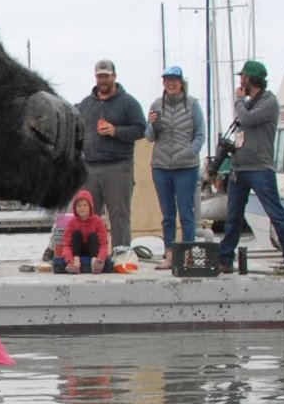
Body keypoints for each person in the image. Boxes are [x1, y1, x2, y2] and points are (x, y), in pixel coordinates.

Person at [216, 60, 284, 272]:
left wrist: (238, 101)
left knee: (275, 213)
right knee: (233, 217)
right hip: (239, 168)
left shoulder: (268, 102)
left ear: (251, 79)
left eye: (243, 76)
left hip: (260, 169)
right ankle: (225, 259)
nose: (240, 80)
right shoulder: (249, 102)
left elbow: (248, 119)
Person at [76, 59, 146, 248]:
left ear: (114, 76)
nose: (103, 80)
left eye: (106, 76)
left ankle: (121, 255)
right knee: (88, 216)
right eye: (100, 76)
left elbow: (141, 129)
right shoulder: (85, 104)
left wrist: (116, 131)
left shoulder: (129, 103)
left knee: (119, 215)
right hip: (90, 167)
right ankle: (92, 257)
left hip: (118, 166)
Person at [147, 64, 206, 267]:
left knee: (186, 213)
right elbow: (150, 137)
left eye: (174, 79)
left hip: (186, 167)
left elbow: (200, 135)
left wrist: (189, 153)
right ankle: (170, 255)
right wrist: (152, 124)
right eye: (167, 80)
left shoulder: (192, 105)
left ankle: (188, 255)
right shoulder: (156, 105)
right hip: (161, 166)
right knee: (168, 215)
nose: (170, 83)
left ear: (181, 82)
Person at [56, 189, 113, 273]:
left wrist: (101, 258)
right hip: (77, 251)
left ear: (90, 207)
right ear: (75, 208)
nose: (82, 208)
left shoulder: (97, 221)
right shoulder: (72, 223)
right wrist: (69, 260)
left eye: (84, 205)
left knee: (92, 235)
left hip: (93, 251)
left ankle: (95, 263)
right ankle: (76, 263)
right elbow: (67, 244)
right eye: (79, 206)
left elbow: (103, 243)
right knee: (76, 234)